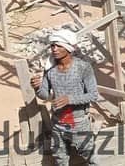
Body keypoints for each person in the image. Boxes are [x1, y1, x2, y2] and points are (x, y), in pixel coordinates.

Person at [30, 28, 99, 166]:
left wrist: (70, 99)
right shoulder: (50, 70)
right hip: (57, 124)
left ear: (68, 48)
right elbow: (44, 95)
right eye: (52, 46)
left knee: (92, 159)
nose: (54, 49)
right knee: (60, 160)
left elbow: (93, 95)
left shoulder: (83, 68)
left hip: (79, 124)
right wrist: (37, 88)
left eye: (59, 45)